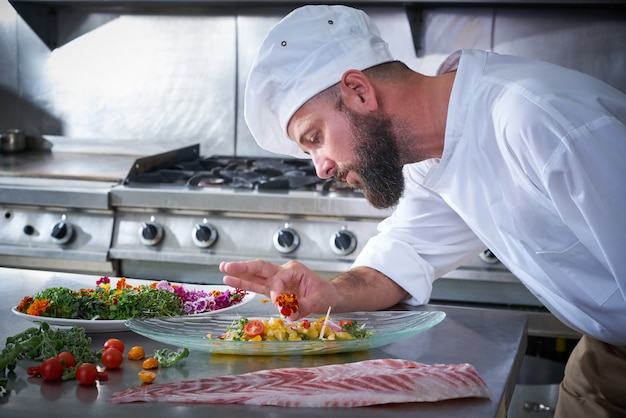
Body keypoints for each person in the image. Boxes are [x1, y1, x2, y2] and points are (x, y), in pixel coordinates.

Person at [219, 5, 626, 417]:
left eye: (316, 138)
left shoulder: (537, 121)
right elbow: (403, 255)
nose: (321, 168)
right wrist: (333, 293)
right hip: (604, 354)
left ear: (359, 90)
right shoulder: (433, 151)